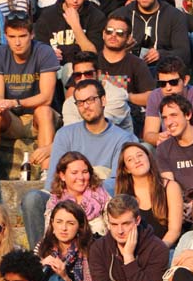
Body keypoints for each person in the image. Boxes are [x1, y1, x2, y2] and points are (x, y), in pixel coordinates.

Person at [21, 78, 138, 248]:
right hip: (64, 197)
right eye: (80, 102)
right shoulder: (65, 134)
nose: (86, 106)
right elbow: (53, 181)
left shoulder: (122, 138)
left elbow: (115, 183)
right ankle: (41, 256)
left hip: (101, 200)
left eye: (91, 100)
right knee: (32, 199)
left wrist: (83, 194)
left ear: (103, 100)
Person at [0, 12, 59, 182]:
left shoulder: (44, 52)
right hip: (13, 118)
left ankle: (46, 172)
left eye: (22, 36)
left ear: (32, 35)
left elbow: (47, 97)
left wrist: (15, 102)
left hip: (40, 116)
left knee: (43, 111)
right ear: (5, 36)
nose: (18, 42)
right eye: (12, 37)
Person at [111, 0, 190, 68]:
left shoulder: (175, 16)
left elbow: (185, 54)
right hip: (127, 72)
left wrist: (161, 55)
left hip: (161, 75)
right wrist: (122, 49)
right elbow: (105, 52)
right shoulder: (119, 15)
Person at [115, 142, 183, 246]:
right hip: (136, 251)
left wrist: (157, 252)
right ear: (126, 169)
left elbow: (174, 230)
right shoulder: (123, 195)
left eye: (140, 155)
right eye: (130, 159)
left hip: (166, 249)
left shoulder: (170, 187)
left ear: (148, 157)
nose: (137, 160)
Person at [33, 0, 106, 65]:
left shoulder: (96, 16)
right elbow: (38, 49)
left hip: (84, 68)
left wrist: (76, 26)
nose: (75, 0)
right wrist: (48, 54)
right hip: (54, 66)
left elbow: (93, 54)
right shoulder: (47, 15)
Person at [143, 58, 193, 148]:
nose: (168, 88)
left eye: (173, 82)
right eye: (162, 84)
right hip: (169, 146)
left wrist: (178, 140)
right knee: (146, 147)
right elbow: (148, 134)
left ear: (185, 80)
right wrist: (159, 137)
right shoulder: (155, 96)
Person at [35, 200, 97, 281]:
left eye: (70, 223)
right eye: (59, 222)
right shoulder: (43, 246)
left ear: (80, 227)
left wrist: (65, 277)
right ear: (52, 223)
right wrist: (40, 265)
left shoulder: (91, 249)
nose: (64, 228)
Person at [62, 51, 133, 132]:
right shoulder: (69, 103)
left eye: (88, 74)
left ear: (98, 73)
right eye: (78, 75)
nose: (83, 79)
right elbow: (69, 133)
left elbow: (99, 128)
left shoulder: (116, 96)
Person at [44, 151, 110, 238]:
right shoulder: (55, 202)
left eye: (85, 172)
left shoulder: (102, 196)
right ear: (62, 176)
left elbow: (114, 229)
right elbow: (49, 237)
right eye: (74, 173)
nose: (81, 177)